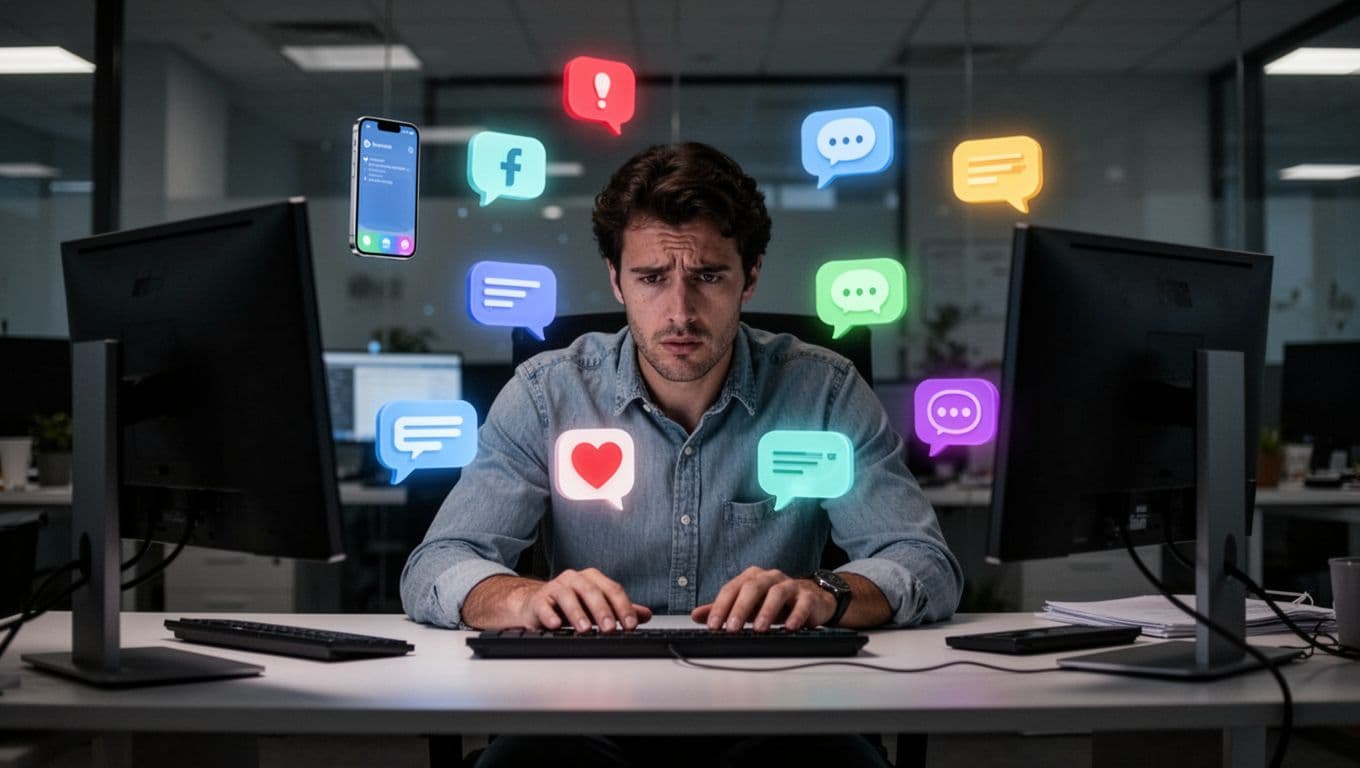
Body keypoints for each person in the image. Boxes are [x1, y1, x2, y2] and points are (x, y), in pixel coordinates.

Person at [401, 142, 963, 768]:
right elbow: (438, 564)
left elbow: (923, 563)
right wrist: (521, 598)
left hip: (779, 711)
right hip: (580, 713)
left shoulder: (824, 390)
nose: (679, 312)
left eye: (708, 276)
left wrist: (826, 592)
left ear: (750, 275)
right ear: (616, 278)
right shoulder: (546, 393)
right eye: (650, 278)